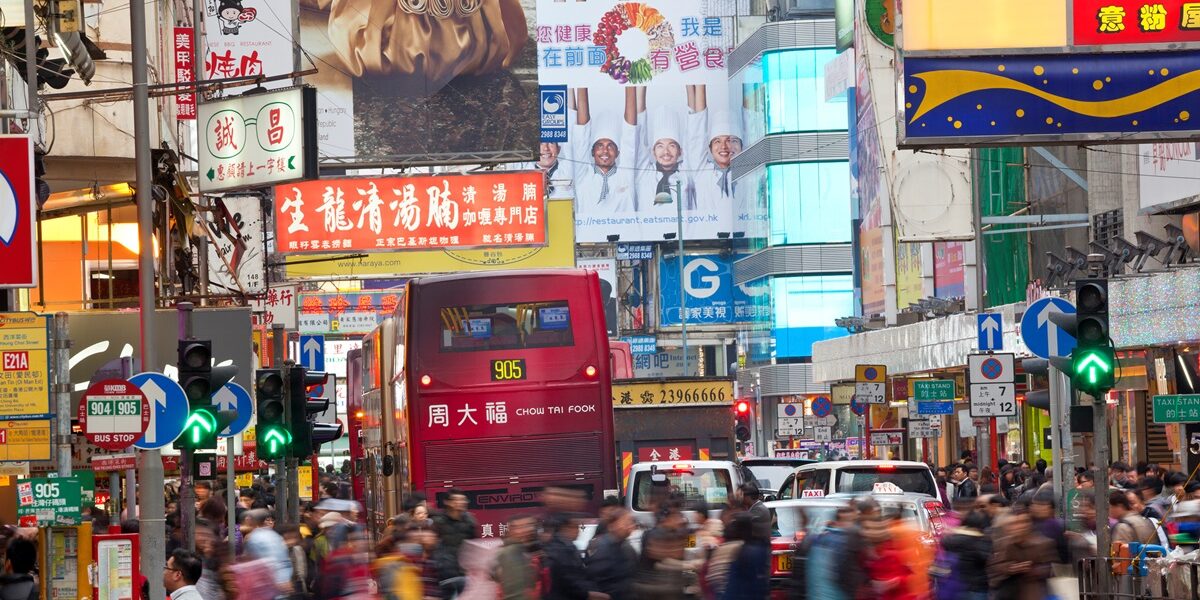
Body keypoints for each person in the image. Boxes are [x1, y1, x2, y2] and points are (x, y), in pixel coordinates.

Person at [988, 509, 1055, 600]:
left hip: (1032, 592)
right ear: (1007, 527)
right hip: (1007, 593)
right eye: (1014, 523)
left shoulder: (1043, 543)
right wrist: (1010, 568)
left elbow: (1051, 568)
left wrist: (1031, 569)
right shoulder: (1002, 544)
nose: (1020, 526)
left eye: (1024, 522)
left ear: (1030, 524)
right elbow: (993, 568)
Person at [542, 513, 605, 600]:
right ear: (564, 528)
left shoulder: (568, 547)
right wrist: (588, 594)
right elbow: (569, 581)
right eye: (575, 527)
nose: (578, 531)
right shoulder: (560, 550)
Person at [936, 510, 992, 600]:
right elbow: (987, 558)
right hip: (976, 588)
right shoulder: (980, 542)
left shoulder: (951, 539)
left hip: (955, 587)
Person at [431, 489, 477, 597]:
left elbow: (473, 545)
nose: (461, 502)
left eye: (463, 500)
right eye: (457, 500)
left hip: (464, 572)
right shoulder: (438, 521)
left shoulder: (470, 521)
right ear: (448, 502)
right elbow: (432, 545)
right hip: (444, 573)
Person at [586, 509, 637, 600]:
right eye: (626, 523)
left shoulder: (627, 547)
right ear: (611, 526)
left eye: (631, 522)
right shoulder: (600, 546)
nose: (630, 526)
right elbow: (596, 579)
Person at [240, 509, 293, 594]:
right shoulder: (276, 536)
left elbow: (259, 564)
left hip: (264, 588)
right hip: (281, 585)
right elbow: (285, 562)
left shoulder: (254, 538)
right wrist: (284, 579)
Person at [494, 514, 540, 600]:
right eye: (520, 527)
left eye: (529, 525)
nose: (527, 530)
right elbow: (514, 593)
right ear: (510, 531)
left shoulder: (531, 549)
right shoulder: (510, 553)